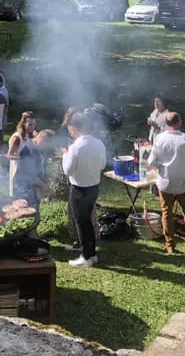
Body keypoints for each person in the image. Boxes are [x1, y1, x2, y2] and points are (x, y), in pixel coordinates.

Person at [149, 112, 185, 254]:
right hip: (182, 182)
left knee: (166, 213)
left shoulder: (160, 139)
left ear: (167, 124)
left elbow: (151, 161)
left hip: (165, 181)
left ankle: (170, 244)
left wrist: (157, 166)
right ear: (179, 122)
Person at [61, 112, 107, 267]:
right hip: (93, 188)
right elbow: (102, 165)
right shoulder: (99, 143)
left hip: (79, 190)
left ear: (74, 128)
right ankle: (92, 254)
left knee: (81, 223)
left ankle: (85, 257)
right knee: (87, 221)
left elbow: (67, 170)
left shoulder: (75, 147)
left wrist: (65, 155)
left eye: (70, 129)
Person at [12, 125, 47, 209]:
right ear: (42, 140)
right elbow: (29, 175)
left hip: (31, 187)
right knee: (23, 211)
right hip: (23, 188)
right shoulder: (30, 150)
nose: (46, 147)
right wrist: (44, 186)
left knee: (31, 212)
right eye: (47, 144)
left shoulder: (36, 147)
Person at [7, 111, 36, 196]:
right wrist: (23, 158)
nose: (32, 127)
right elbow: (9, 155)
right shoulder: (17, 137)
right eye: (30, 124)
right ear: (23, 124)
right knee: (19, 199)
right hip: (18, 173)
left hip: (31, 172)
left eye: (34, 124)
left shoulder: (33, 135)